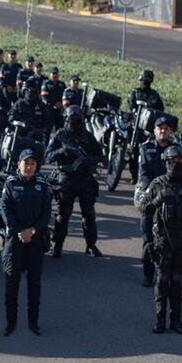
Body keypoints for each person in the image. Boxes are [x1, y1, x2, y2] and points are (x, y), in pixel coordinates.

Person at [143, 145, 182, 333]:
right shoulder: (157, 184)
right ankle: (160, 320)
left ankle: (176, 320)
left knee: (177, 280)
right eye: (172, 161)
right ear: (166, 162)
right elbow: (144, 211)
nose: (176, 165)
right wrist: (148, 242)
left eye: (179, 161)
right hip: (162, 240)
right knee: (162, 279)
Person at [0, 149, 51, 336]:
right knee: (11, 282)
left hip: (35, 239)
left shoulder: (41, 184)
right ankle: (10, 323)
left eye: (32, 164)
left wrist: (33, 230)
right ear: (18, 165)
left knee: (34, 283)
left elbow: (46, 213)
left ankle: (33, 323)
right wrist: (19, 230)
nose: (29, 167)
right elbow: (5, 209)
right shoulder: (11, 183)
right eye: (25, 163)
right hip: (15, 239)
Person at [44, 105, 104, 258]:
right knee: (63, 214)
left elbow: (101, 156)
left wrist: (88, 160)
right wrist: (62, 151)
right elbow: (47, 156)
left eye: (77, 119)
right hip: (66, 178)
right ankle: (58, 244)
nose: (74, 122)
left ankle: (91, 244)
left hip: (85, 179)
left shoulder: (87, 136)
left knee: (89, 214)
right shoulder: (60, 135)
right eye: (72, 119)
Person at [135, 116, 175, 287]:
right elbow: (143, 174)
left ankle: (167, 274)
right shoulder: (146, 149)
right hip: (152, 198)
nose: (163, 130)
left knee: (171, 239)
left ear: (170, 131)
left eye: (166, 128)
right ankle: (147, 274)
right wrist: (150, 191)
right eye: (159, 128)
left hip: (171, 199)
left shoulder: (177, 150)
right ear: (154, 131)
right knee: (149, 239)